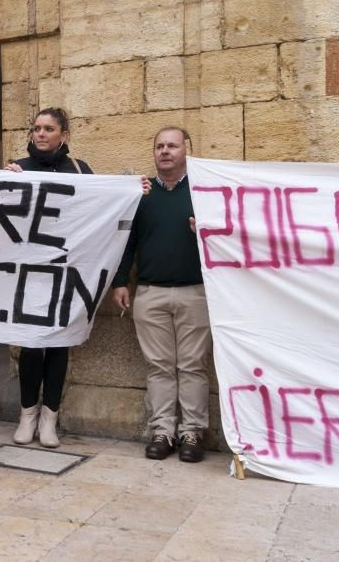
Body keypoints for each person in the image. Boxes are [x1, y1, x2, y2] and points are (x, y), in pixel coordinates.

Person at [5, 107, 149, 447]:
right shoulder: (18, 168)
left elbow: (105, 204)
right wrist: (4, 182)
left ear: (63, 135)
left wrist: (132, 190)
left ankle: (49, 419)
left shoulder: (80, 170)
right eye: (36, 128)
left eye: (48, 128)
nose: (40, 134)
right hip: (30, 270)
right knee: (30, 344)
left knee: (58, 345)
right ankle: (27, 415)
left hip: (69, 270)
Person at [110, 126, 211, 463]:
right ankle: (162, 431)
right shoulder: (141, 194)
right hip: (150, 293)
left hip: (195, 292)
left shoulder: (204, 191)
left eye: (172, 146)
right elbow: (127, 241)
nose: (165, 151)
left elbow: (230, 236)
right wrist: (121, 280)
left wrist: (206, 232)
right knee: (159, 367)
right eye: (159, 146)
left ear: (187, 149)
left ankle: (193, 432)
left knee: (193, 367)